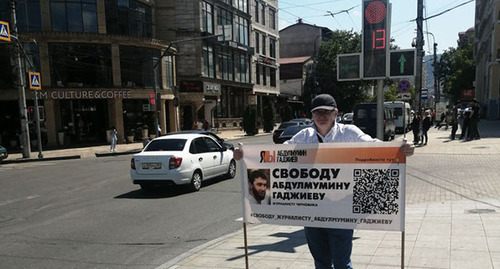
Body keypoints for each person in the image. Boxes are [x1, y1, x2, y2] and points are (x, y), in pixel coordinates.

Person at [234, 94, 414, 269]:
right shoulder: (304, 136)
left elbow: (374, 146)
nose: (321, 117)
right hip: (312, 211)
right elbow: (276, 156)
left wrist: (400, 149)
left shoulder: (348, 133)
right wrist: (246, 156)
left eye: (326, 112)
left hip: (341, 211)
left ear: (335, 113)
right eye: (317, 112)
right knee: (321, 263)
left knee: (342, 263)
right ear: (312, 115)